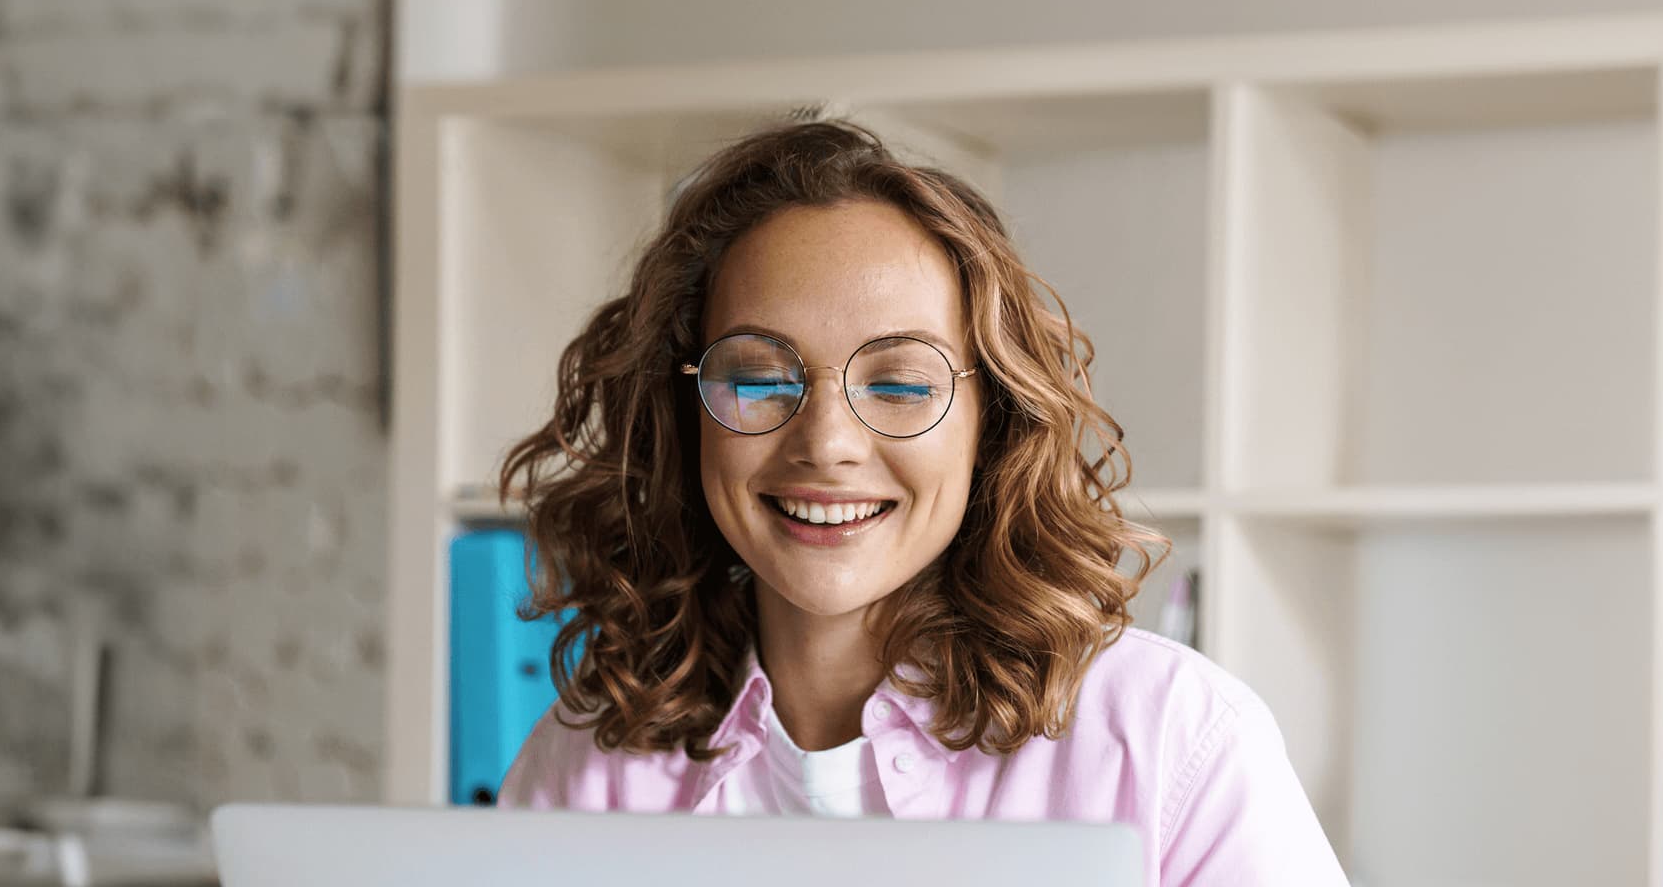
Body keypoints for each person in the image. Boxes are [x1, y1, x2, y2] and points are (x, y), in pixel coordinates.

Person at [495, 118, 1348, 884]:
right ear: (686, 414)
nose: (825, 442)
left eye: (901, 383)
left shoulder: (1171, 740)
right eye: (758, 375)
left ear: (992, 422)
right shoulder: (584, 762)